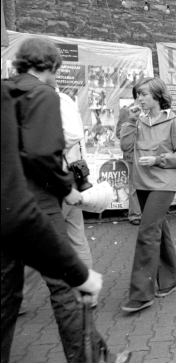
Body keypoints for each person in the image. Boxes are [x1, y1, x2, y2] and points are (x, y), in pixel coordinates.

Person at [2, 39, 123, 362]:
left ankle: (101, 355)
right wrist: (67, 188)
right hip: (39, 204)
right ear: (52, 67)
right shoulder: (43, 95)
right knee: (66, 285)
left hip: (6, 206)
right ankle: (91, 358)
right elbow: (43, 154)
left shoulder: (4, 92)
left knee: (5, 296)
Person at [119, 77, 176, 313]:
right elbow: (126, 147)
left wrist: (159, 159)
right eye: (138, 94)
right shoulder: (136, 121)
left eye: (144, 94)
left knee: (147, 232)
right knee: (159, 230)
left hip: (164, 184)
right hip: (142, 183)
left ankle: (141, 295)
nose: (140, 98)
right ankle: (172, 280)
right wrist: (129, 119)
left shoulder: (174, 122)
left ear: (157, 96)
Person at [21, 90, 94, 313]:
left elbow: (67, 137)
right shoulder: (65, 101)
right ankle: (87, 293)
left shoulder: (49, 102)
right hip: (71, 178)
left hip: (56, 181)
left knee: (40, 242)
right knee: (76, 236)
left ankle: (19, 298)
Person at [116, 102, 142, 225]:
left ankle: (144, 212)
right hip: (132, 155)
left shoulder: (148, 107)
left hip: (146, 154)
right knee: (134, 185)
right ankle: (135, 215)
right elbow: (119, 133)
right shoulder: (125, 110)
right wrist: (133, 127)